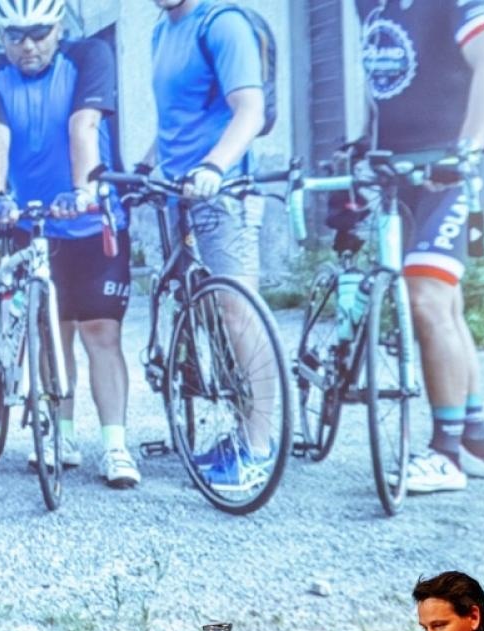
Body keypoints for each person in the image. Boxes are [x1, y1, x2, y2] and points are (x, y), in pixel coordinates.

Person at [0, 0, 140, 489]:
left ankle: (115, 445)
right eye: (15, 35)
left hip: (88, 219)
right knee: (50, 331)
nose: (28, 45)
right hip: (33, 223)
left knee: (99, 333)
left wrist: (84, 191)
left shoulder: (89, 57)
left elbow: (82, 125)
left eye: (40, 32)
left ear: (60, 26)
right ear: (1, 35)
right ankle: (62, 437)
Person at [356, 0, 484, 494]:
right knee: (448, 306)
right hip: (398, 170)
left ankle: (445, 453)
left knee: (426, 298)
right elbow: (382, 84)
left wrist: (468, 150)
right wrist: (360, 142)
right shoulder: (367, 5)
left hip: (450, 169)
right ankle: (475, 440)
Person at [145, 0, 277, 493]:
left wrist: (214, 167)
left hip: (222, 192)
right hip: (179, 194)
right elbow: (176, 122)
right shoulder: (162, 30)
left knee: (237, 309)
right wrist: (145, 164)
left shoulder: (221, 24)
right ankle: (238, 430)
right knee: (205, 316)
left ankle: (258, 447)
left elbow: (250, 109)